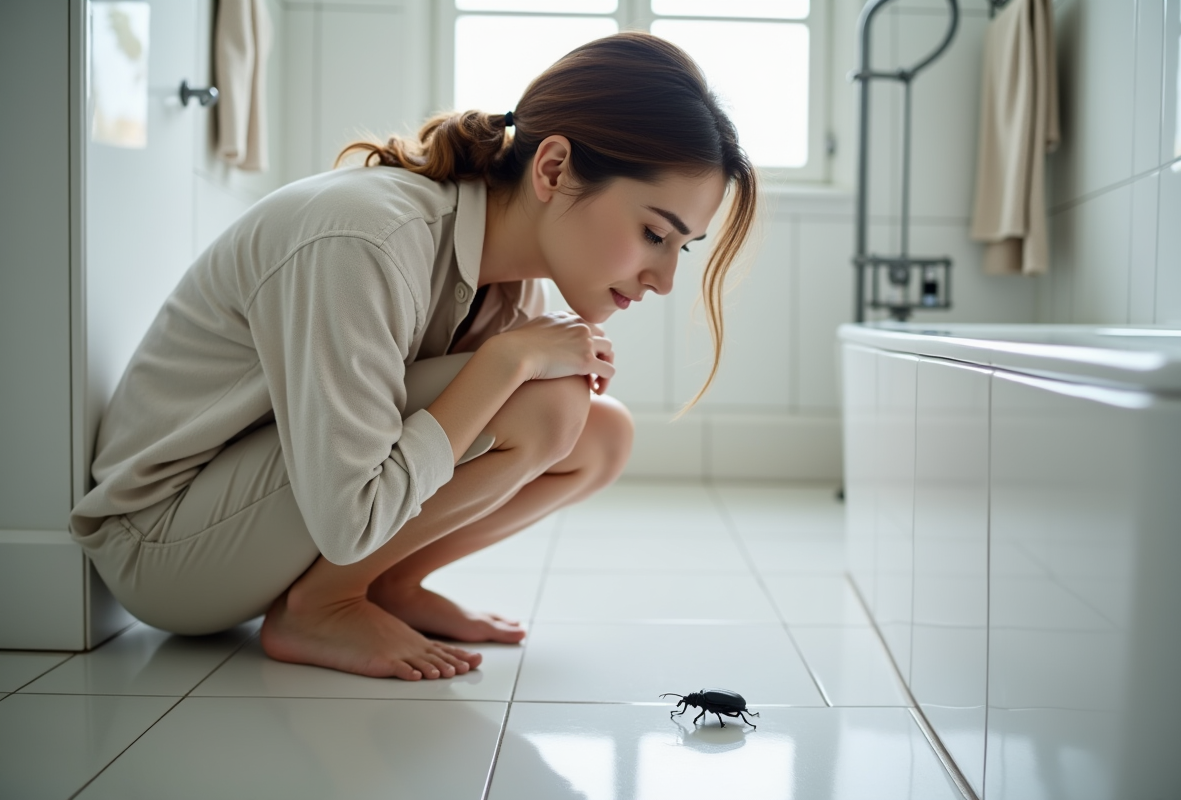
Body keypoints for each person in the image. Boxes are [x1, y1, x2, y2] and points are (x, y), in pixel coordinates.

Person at [69, 31, 757, 681]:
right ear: (553, 168)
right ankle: (323, 607)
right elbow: (352, 516)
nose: (664, 280)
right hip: (163, 544)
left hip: (257, 514)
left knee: (602, 434)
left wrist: (515, 355)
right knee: (549, 398)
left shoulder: (505, 283)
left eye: (681, 248)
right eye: (652, 234)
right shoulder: (366, 240)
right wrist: (506, 362)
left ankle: (388, 584)